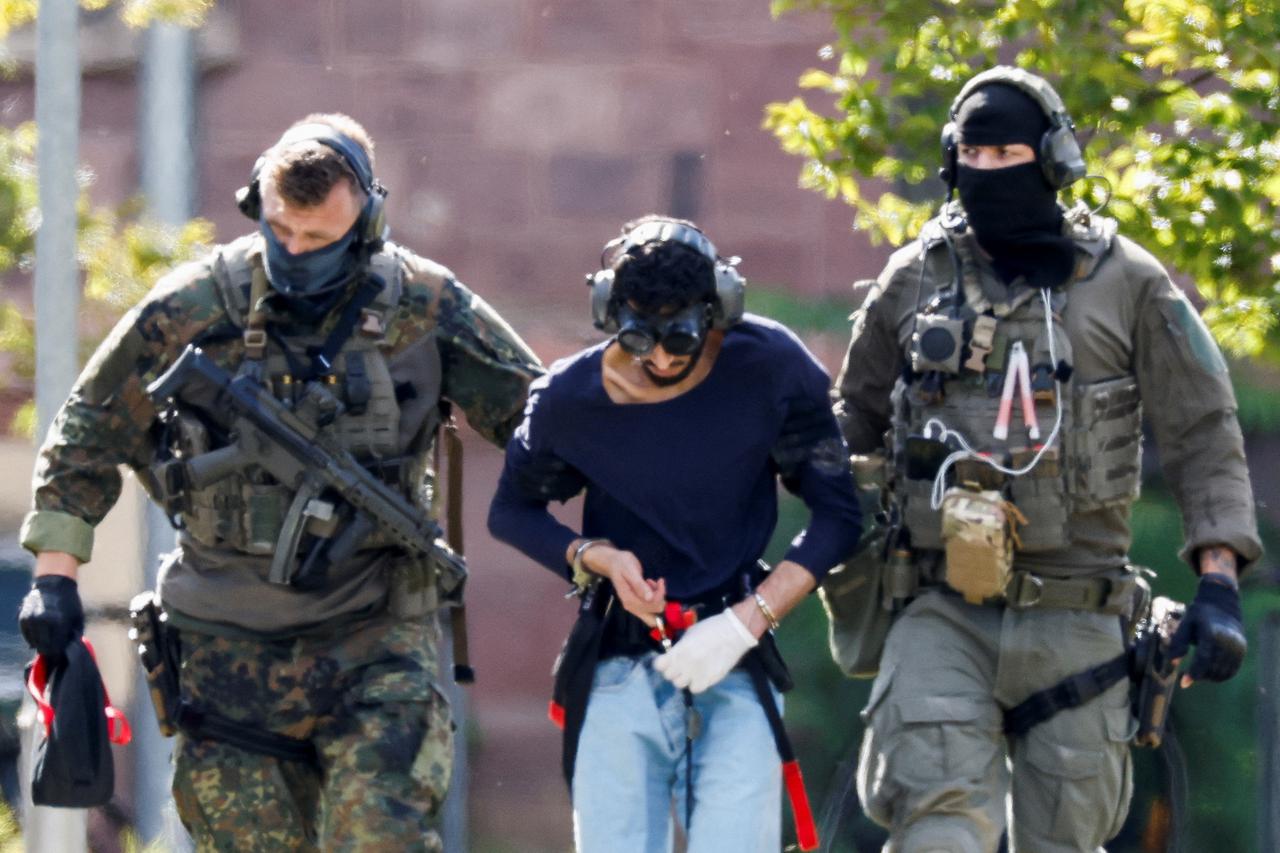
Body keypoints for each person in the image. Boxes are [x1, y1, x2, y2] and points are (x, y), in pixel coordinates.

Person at [17, 113, 541, 851]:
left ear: (367, 223)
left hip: (376, 637)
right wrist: (54, 577)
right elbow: (90, 428)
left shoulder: (423, 304)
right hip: (225, 649)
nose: (294, 252)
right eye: (279, 230)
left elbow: (541, 413)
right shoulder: (195, 304)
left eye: (318, 240)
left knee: (380, 835)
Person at [833, 67, 1261, 852]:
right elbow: (848, 426)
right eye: (975, 156)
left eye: (1010, 156)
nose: (991, 174)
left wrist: (1219, 585)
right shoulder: (915, 277)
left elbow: (1203, 430)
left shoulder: (1127, 281)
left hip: (1081, 615)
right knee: (936, 831)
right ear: (951, 161)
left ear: (1055, 159)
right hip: (938, 608)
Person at [488, 215, 863, 852]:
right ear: (611, 312)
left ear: (719, 309)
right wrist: (596, 557)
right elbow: (511, 512)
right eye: (641, 339)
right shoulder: (569, 399)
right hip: (614, 662)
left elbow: (839, 516)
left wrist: (750, 619)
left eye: (681, 339)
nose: (661, 359)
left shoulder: (769, 369)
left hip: (735, 658)